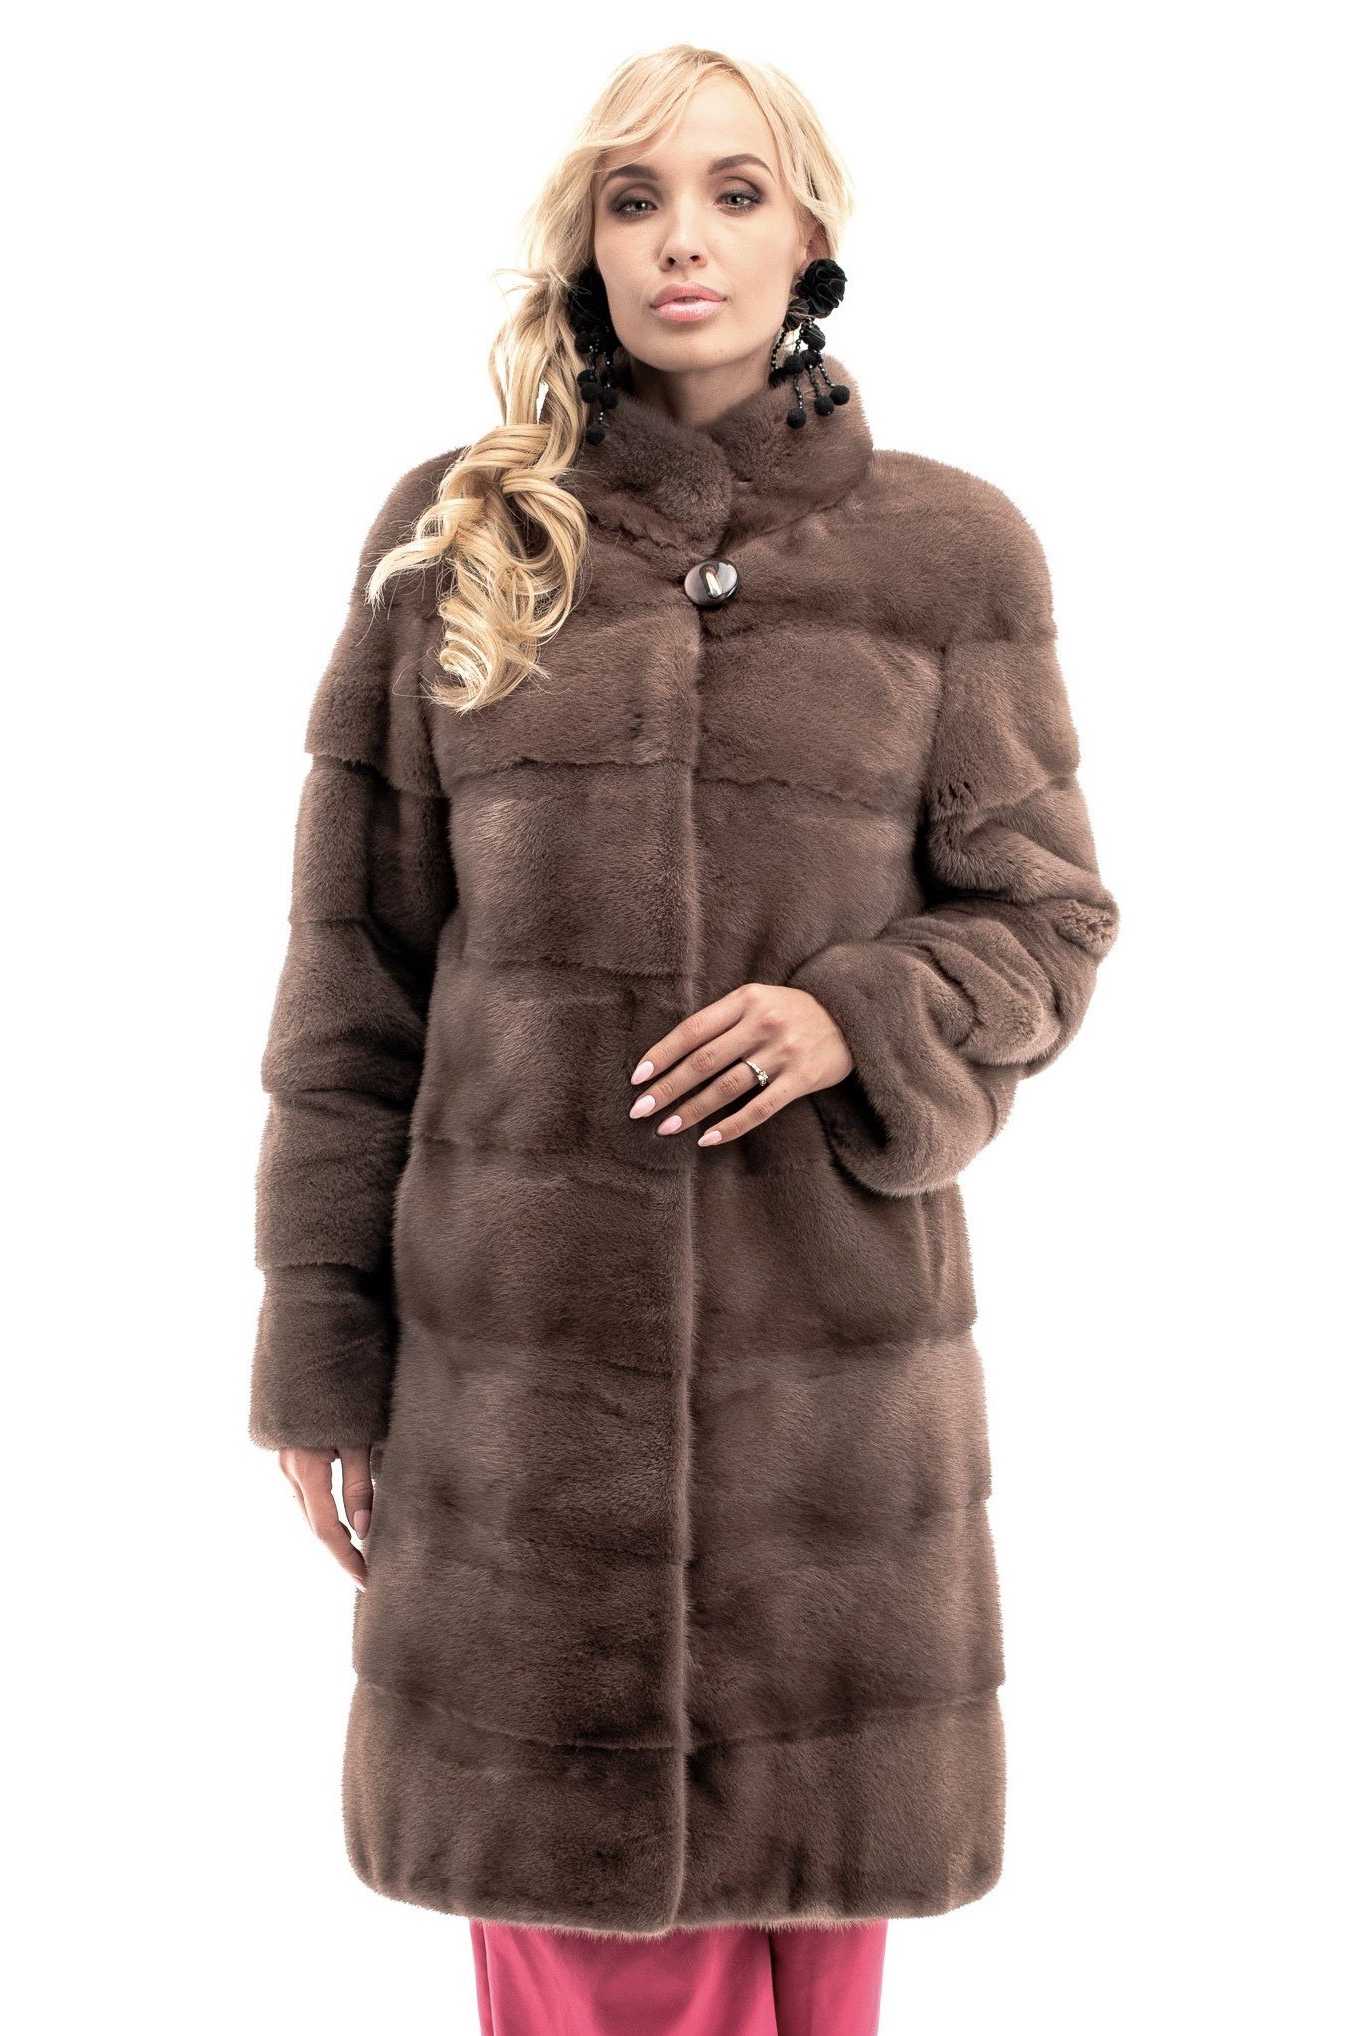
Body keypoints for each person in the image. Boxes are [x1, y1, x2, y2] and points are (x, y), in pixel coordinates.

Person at [248, 41, 1119, 2036]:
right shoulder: (458, 539)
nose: (682, 240)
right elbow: (352, 986)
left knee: (818, 1977)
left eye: (733, 192)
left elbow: (1046, 920)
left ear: (809, 232)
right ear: (585, 244)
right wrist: (322, 1356)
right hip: (523, 1442)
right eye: (633, 199)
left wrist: (853, 1015)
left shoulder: (950, 557)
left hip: (836, 1454)